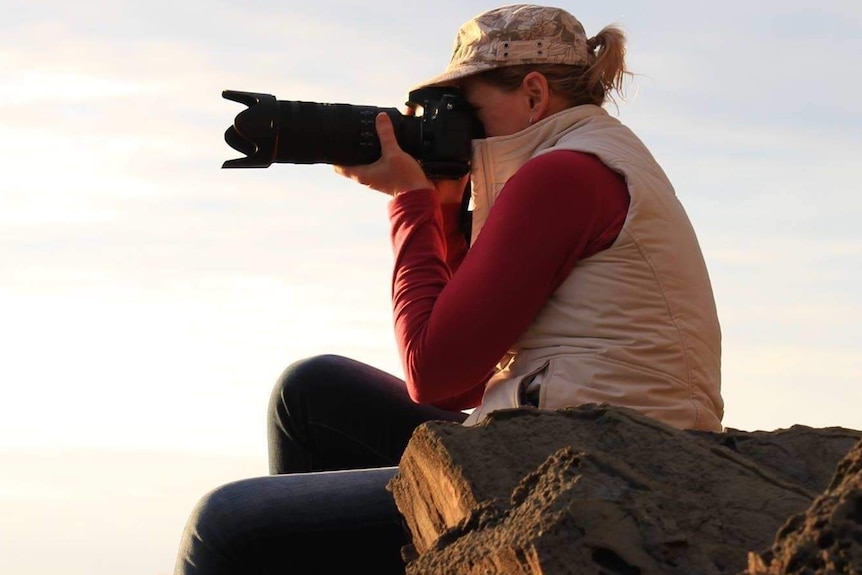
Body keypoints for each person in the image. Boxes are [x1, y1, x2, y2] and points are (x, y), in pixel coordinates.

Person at [173, 4, 723, 573]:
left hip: (601, 466)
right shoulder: (587, 158)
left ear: (534, 95)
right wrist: (441, 204)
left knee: (228, 523)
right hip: (563, 433)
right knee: (310, 394)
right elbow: (463, 373)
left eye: (471, 110)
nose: (461, 129)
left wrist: (410, 206)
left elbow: (435, 373)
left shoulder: (564, 176)